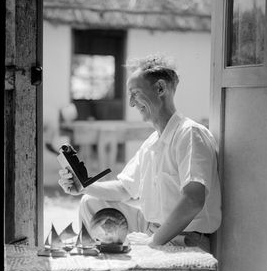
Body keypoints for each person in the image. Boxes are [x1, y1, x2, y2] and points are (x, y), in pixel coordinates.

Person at [58, 54, 221, 252]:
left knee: (130, 235)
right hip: (150, 228)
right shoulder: (151, 143)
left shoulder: (190, 134)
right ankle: (111, 263)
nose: (131, 103)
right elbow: (124, 189)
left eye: (135, 93)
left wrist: (152, 242)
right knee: (91, 202)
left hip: (182, 237)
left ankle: (122, 258)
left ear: (160, 88)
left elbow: (193, 199)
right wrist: (82, 187)